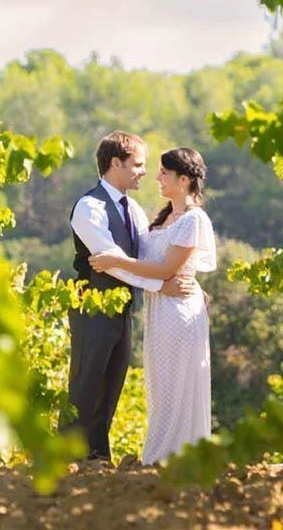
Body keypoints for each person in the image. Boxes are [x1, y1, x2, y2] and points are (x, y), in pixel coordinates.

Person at [66, 131, 192, 462]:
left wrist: (185, 278)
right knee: (85, 383)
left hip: (122, 309)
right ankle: (67, 458)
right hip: (91, 306)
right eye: (137, 164)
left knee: (110, 386)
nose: (144, 172)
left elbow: (143, 257)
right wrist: (160, 287)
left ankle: (97, 457)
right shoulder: (89, 207)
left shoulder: (133, 209)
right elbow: (112, 262)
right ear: (115, 163)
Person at [89, 147, 216, 465]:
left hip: (179, 311)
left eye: (164, 173)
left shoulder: (192, 219)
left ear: (184, 179)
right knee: (161, 386)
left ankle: (173, 456)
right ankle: (160, 455)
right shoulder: (163, 218)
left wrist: (115, 261)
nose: (157, 178)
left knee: (176, 385)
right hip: (160, 309)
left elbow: (165, 269)